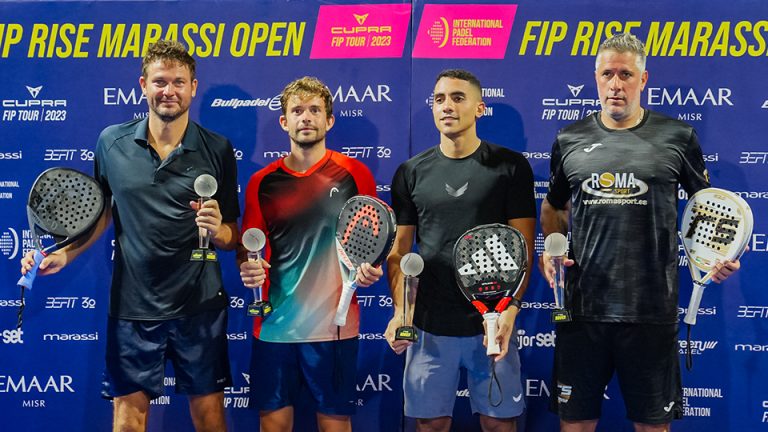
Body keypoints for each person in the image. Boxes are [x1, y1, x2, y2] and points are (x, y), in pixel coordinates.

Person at [20, 40, 239, 432]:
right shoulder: (111, 142)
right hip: (133, 306)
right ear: (143, 85)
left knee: (210, 419)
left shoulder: (218, 149)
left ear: (193, 87)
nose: (169, 91)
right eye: (160, 81)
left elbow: (232, 236)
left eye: (178, 82)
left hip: (200, 306)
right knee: (127, 421)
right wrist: (64, 254)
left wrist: (217, 228)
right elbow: (101, 211)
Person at [539, 32, 742, 432]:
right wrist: (553, 247)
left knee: (652, 427)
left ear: (643, 79)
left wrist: (720, 257)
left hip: (652, 310)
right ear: (596, 78)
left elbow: (709, 208)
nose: (616, 84)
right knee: (575, 425)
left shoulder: (678, 136)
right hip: (582, 309)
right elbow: (553, 206)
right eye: (607, 74)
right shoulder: (569, 139)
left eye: (626, 74)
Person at [384, 69, 536, 432]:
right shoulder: (410, 172)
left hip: (492, 323)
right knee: (430, 425)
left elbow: (523, 250)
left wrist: (509, 311)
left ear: (479, 108)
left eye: (457, 98)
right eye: (439, 99)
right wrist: (401, 311)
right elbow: (399, 252)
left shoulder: (511, 167)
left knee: (499, 425)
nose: (447, 106)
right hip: (429, 325)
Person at [238, 76, 383, 432]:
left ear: (329, 120)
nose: (306, 117)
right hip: (274, 326)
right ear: (284, 121)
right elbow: (249, 248)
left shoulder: (355, 174)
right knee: (273, 426)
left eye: (315, 110)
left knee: (335, 426)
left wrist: (371, 269)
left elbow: (373, 241)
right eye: (298, 111)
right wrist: (248, 267)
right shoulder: (262, 182)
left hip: (334, 327)